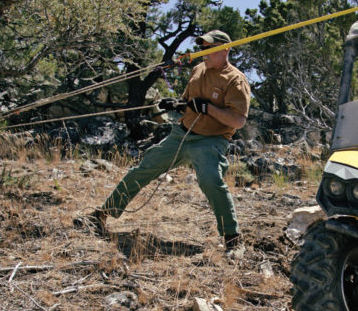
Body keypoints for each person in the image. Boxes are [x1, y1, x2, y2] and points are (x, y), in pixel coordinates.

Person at [80, 30, 251, 252]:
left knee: (211, 181)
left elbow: (238, 121)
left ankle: (232, 240)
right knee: (142, 169)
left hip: (210, 141)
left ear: (225, 49)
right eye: (201, 48)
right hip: (180, 135)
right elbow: (186, 102)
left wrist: (208, 109)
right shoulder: (198, 70)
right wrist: (176, 105)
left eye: (209, 48)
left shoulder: (236, 80)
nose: (203, 53)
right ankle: (100, 216)